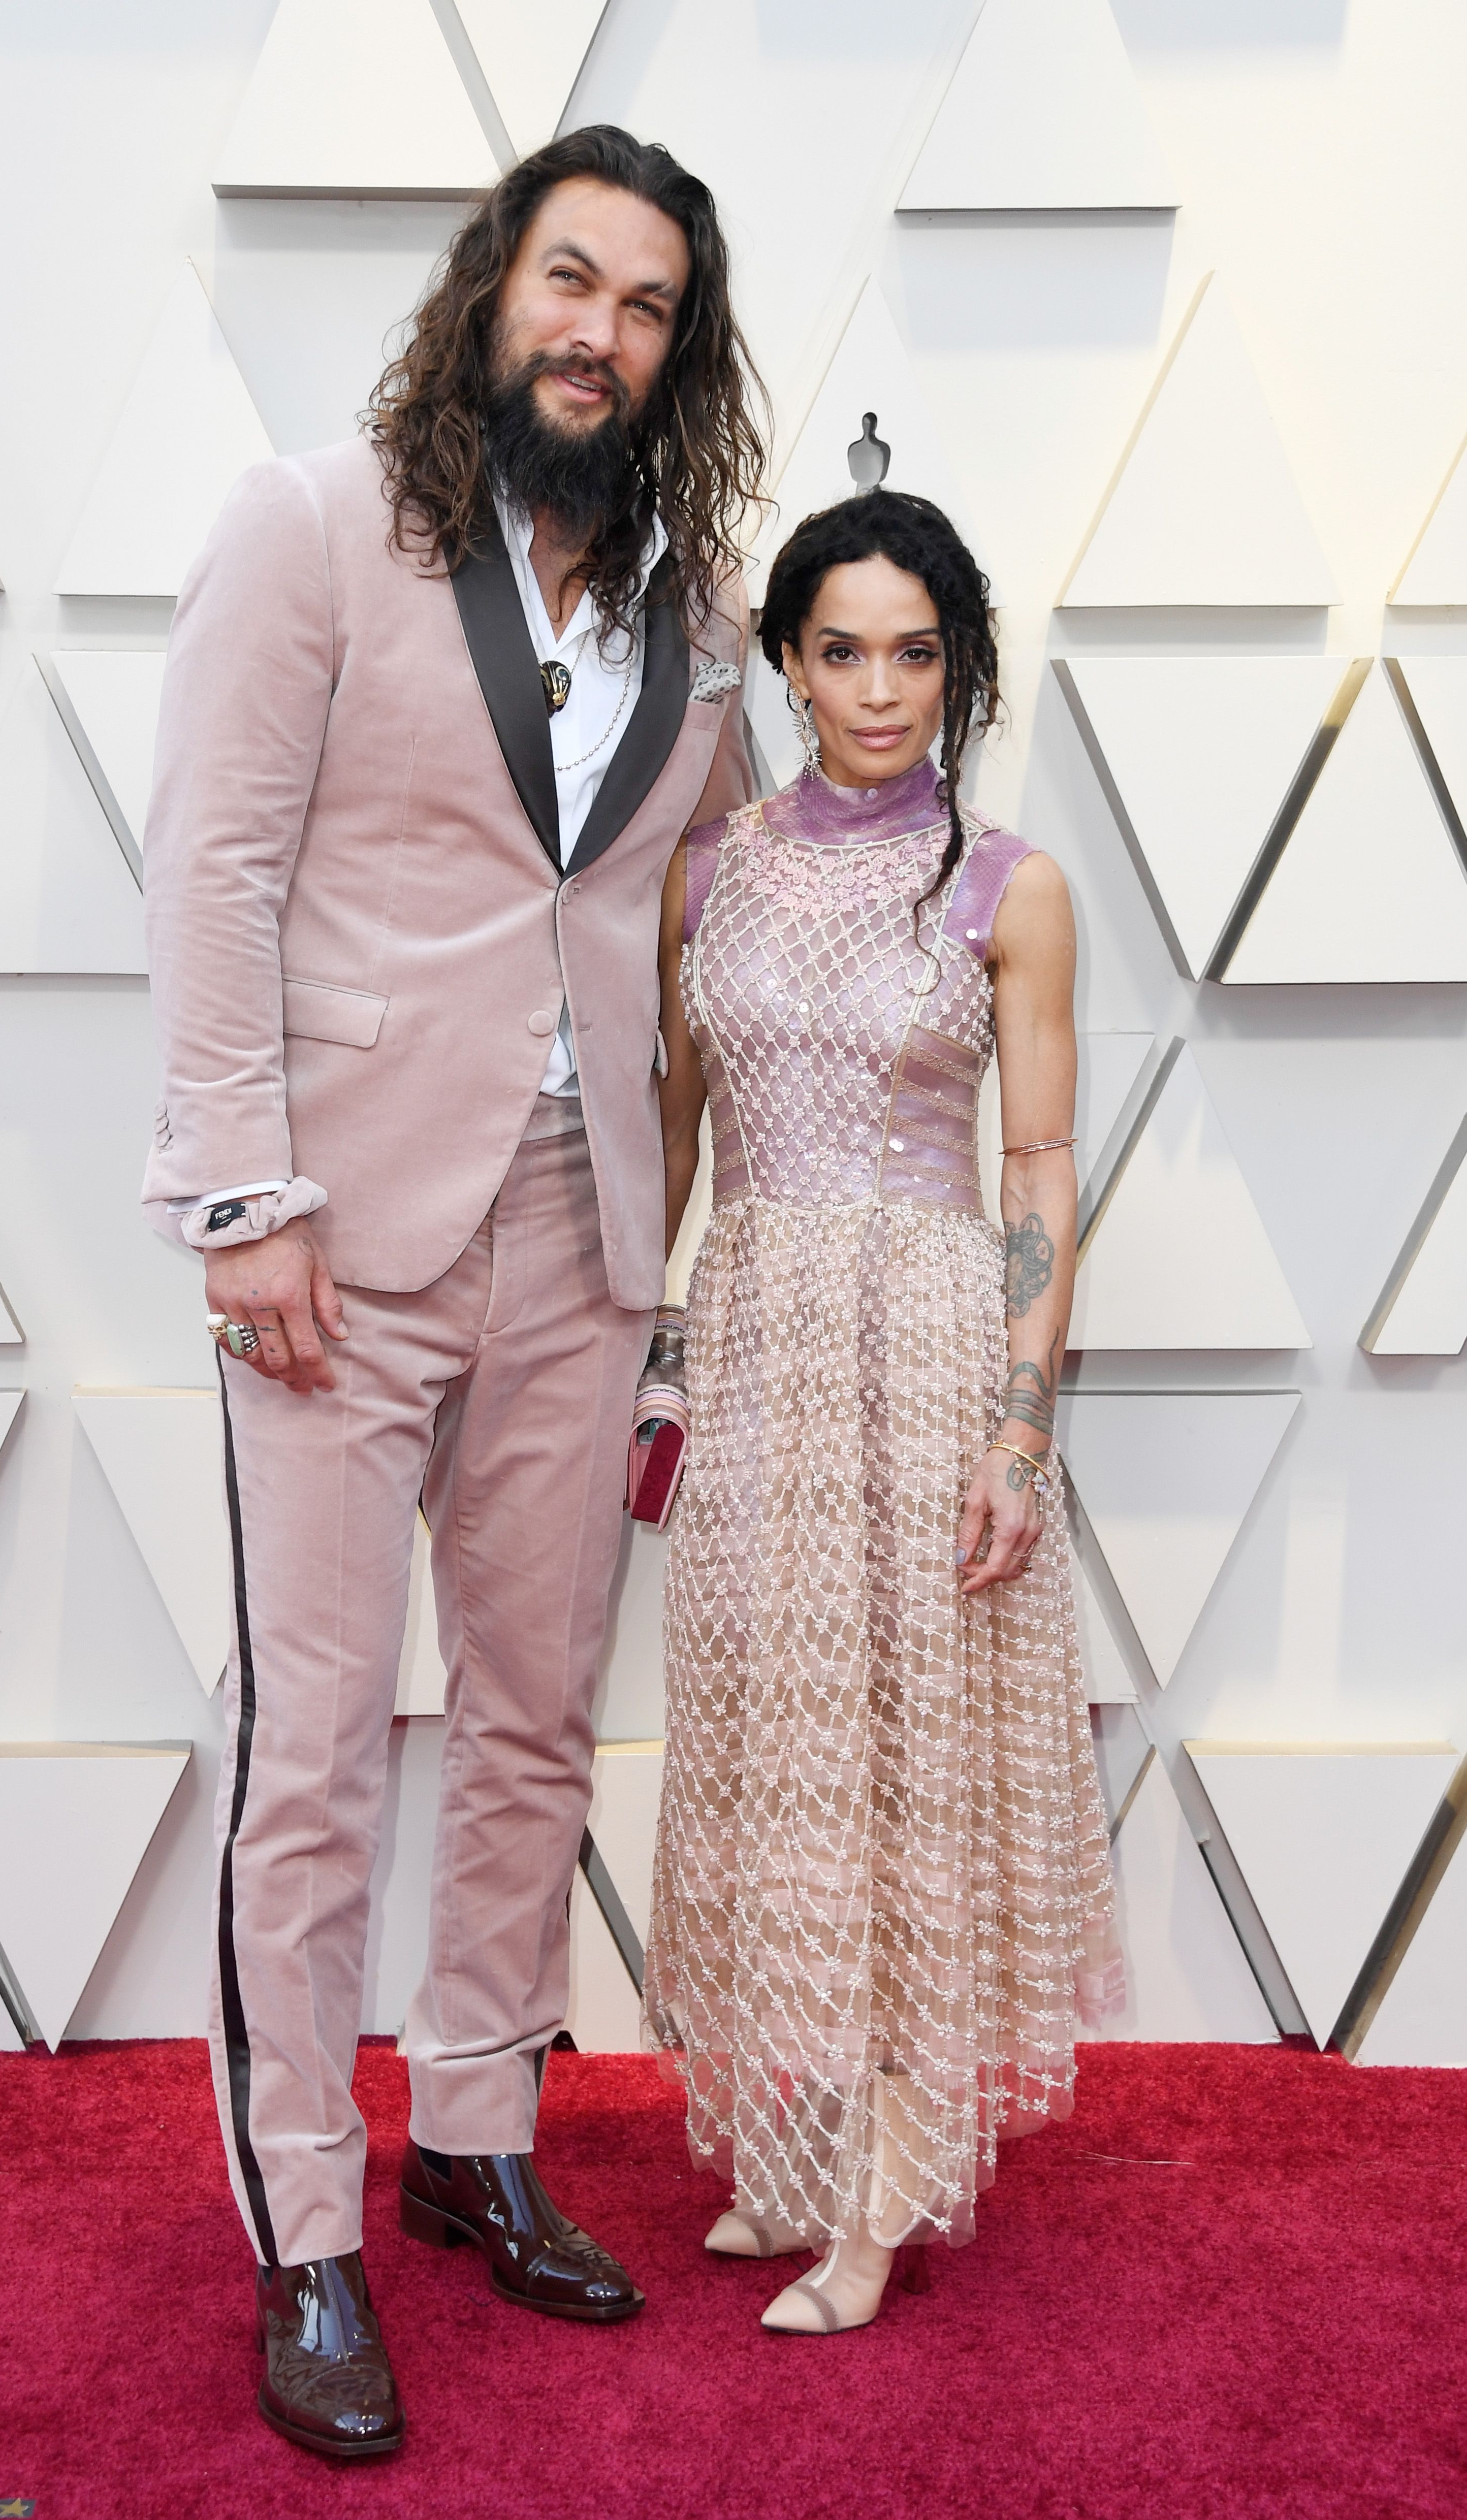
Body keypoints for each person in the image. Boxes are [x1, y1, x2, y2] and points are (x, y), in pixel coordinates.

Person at [140, 125, 764, 2454]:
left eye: (642, 308)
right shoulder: (309, 524)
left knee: (527, 1717)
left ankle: (471, 2135)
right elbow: (209, 861)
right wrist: (240, 1195)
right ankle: (305, 2219)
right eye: (566, 280)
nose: (594, 331)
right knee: (309, 1753)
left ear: (669, 354)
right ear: (491, 287)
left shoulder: (686, 615)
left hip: (579, 1233)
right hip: (333, 1233)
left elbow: (702, 920)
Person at [642, 489, 1123, 2337]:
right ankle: (790, 2161)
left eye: (915, 652)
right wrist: (664, 1354)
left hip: (925, 1345)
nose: (876, 688)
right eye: (838, 648)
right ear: (780, 659)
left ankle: (884, 2197)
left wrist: (1019, 1423)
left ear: (961, 667)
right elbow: (679, 1131)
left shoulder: (1011, 885)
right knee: (779, 1739)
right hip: (762, 1337)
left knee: (915, 1757)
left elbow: (1038, 1165)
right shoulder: (713, 871)